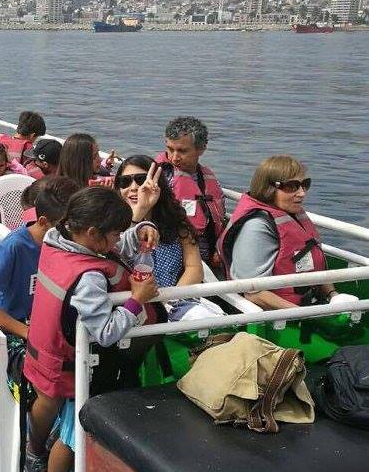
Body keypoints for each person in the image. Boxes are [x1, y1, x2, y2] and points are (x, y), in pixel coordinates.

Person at [24, 187, 160, 472]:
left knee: (66, 427)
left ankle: (43, 464)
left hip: (48, 355)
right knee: (72, 434)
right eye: (116, 234)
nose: (119, 240)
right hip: (76, 370)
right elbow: (105, 332)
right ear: (92, 234)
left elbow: (108, 254)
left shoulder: (57, 240)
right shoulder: (89, 278)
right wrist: (136, 302)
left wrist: (137, 232)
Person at [0, 177, 79, 403]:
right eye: (67, 226)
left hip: (54, 329)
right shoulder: (15, 246)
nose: (72, 232)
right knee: (53, 380)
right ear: (43, 221)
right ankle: (37, 437)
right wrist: (27, 332)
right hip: (18, 331)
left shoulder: (68, 247)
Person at [220, 155, 337, 310]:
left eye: (305, 185)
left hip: (309, 303)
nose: (302, 193)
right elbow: (254, 292)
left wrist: (334, 296)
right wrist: (303, 314)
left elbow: (316, 268)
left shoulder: (291, 215)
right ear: (269, 188)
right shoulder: (256, 226)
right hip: (277, 316)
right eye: (292, 186)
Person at [114, 156, 223, 321]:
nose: (134, 187)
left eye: (142, 180)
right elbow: (115, 255)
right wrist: (138, 212)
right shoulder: (111, 224)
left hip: (176, 301)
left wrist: (169, 301)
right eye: (125, 182)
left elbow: (194, 268)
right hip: (131, 306)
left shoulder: (176, 219)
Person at [156, 116, 227, 269]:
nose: (174, 157)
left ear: (201, 148)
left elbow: (219, 217)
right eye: (170, 149)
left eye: (182, 151)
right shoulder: (159, 178)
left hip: (210, 257)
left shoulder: (208, 178)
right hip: (178, 259)